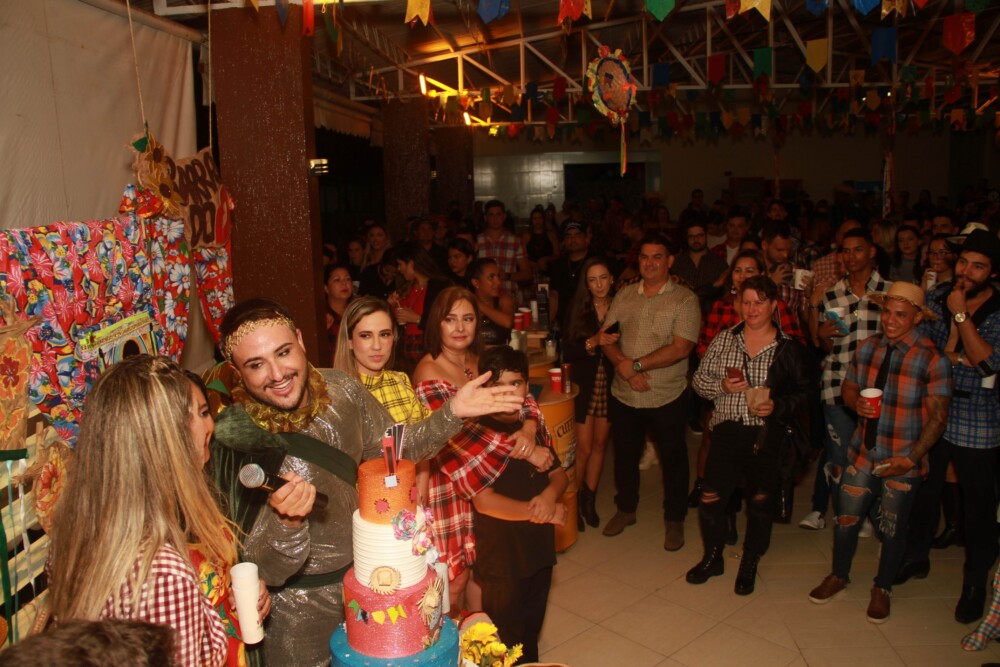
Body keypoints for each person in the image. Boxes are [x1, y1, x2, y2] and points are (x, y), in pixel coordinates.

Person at [209, 298, 524, 666]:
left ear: (300, 340)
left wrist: (452, 412)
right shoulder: (235, 441)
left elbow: (396, 449)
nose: (277, 373)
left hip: (369, 591)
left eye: (283, 352)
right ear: (237, 372)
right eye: (256, 364)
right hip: (296, 617)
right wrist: (287, 523)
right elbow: (262, 570)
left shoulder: (342, 388)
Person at [48, 355, 240, 667]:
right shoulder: (163, 576)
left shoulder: (73, 533)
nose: (209, 425)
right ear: (162, 442)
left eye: (205, 412)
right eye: (192, 416)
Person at [808, 282, 950, 624]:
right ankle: (839, 575)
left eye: (900, 314)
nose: (890, 320)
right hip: (862, 453)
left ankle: (883, 587)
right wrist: (855, 402)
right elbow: (849, 386)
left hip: (902, 460)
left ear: (917, 317)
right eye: (886, 311)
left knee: (893, 529)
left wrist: (911, 459)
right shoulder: (869, 347)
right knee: (845, 520)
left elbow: (938, 418)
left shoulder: (932, 358)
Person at [412, 287, 548, 613]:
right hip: (451, 481)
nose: (460, 327)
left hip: (491, 476)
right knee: (453, 579)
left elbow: (524, 397)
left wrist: (529, 427)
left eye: (468, 318)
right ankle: (448, 642)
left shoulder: (482, 359)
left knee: (483, 569)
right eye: (450, 319)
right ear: (437, 323)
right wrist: (526, 451)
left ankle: (481, 640)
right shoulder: (429, 370)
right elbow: (463, 436)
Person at [897, 229, 1000, 624]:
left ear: (992, 273)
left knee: (978, 506)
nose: (966, 272)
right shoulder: (939, 297)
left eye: (978, 267)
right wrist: (957, 355)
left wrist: (960, 318)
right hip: (934, 407)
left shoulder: (994, 308)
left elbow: (987, 363)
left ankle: (974, 585)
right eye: (963, 263)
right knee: (924, 489)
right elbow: (925, 349)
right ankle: (915, 557)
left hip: (979, 417)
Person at [687, 276, 813, 595]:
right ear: (738, 305)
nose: (752, 308)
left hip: (766, 436)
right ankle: (713, 556)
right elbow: (698, 381)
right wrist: (721, 386)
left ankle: (750, 560)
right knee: (710, 498)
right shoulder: (724, 339)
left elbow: (805, 395)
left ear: (773, 305)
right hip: (727, 432)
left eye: (759, 302)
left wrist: (778, 405)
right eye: (746, 302)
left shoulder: (787, 348)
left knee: (760, 502)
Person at [599, 233, 701, 550]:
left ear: (669, 261)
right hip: (625, 392)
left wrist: (636, 366)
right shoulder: (625, 294)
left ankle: (675, 519)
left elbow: (682, 347)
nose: (650, 263)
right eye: (644, 257)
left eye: (657, 257)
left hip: (666, 394)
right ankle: (626, 509)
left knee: (673, 459)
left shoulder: (685, 299)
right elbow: (606, 337)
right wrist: (625, 368)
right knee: (625, 456)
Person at [470, 346, 567, 663]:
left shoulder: (532, 424)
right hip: (503, 557)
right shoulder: (478, 431)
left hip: (539, 549)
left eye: (516, 383)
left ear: (527, 386)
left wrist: (549, 497)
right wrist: (542, 512)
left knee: (530, 631)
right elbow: (484, 501)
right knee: (505, 640)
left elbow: (559, 475)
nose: (509, 393)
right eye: (499, 385)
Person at [801, 228, 890, 530]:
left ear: (872, 252)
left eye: (858, 249)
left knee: (875, 454)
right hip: (837, 382)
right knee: (839, 455)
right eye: (845, 250)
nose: (851, 256)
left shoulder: (890, 292)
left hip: (877, 387)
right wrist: (824, 334)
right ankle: (847, 517)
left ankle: (870, 514)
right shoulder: (831, 294)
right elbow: (826, 346)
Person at [562, 257, 620, 530]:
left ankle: (589, 499)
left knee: (600, 445)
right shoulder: (578, 309)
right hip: (585, 384)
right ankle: (573, 502)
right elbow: (567, 352)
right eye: (593, 280)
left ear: (612, 279)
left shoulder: (621, 306)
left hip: (611, 383)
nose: (599, 285)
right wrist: (592, 342)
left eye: (603, 278)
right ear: (586, 284)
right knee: (583, 448)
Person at [333, 296, 430, 427]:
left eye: (384, 334)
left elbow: (425, 432)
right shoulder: (338, 395)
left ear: (394, 337)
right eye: (366, 336)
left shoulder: (400, 381)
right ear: (349, 341)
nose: (377, 346)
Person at [389, 243, 450, 375]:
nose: (399, 269)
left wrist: (417, 319)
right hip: (406, 347)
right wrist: (391, 305)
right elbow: (398, 318)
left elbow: (447, 320)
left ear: (411, 264)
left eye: (400, 264)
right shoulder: (406, 287)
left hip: (429, 347)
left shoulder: (440, 287)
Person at [670, 216, 729, 317]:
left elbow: (725, 294)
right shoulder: (677, 263)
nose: (695, 239)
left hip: (711, 317)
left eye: (699, 235)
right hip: (681, 316)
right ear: (687, 238)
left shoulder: (719, 263)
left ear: (706, 235)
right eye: (691, 236)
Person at [477, 200, 531, 298]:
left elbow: (527, 273)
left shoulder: (516, 241)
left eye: (498, 214)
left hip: (510, 294)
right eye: (491, 215)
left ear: (504, 216)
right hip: (485, 298)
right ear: (485, 218)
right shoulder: (477, 241)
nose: (495, 219)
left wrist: (507, 275)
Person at [548, 220, 593, 331]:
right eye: (569, 237)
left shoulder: (596, 263)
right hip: (565, 325)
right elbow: (554, 297)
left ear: (586, 239)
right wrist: (548, 325)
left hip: (591, 324)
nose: (573, 240)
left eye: (577, 236)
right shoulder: (558, 265)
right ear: (564, 241)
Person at [469, 257, 514, 347]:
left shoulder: (504, 299)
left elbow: (508, 322)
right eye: (491, 277)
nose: (498, 282)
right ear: (476, 283)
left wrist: (479, 304)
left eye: (498, 276)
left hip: (500, 354)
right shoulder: (466, 303)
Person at [323, 263, 354, 362]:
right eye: (337, 280)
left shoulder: (357, 312)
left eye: (347, 279)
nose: (344, 283)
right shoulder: (322, 316)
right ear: (326, 288)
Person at [521, 206, 559, 274]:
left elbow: (557, 255)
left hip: (549, 270)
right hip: (532, 270)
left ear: (543, 220)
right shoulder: (526, 236)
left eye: (540, 218)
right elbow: (523, 256)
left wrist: (546, 259)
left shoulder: (551, 235)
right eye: (535, 218)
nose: (537, 221)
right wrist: (536, 265)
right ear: (531, 220)